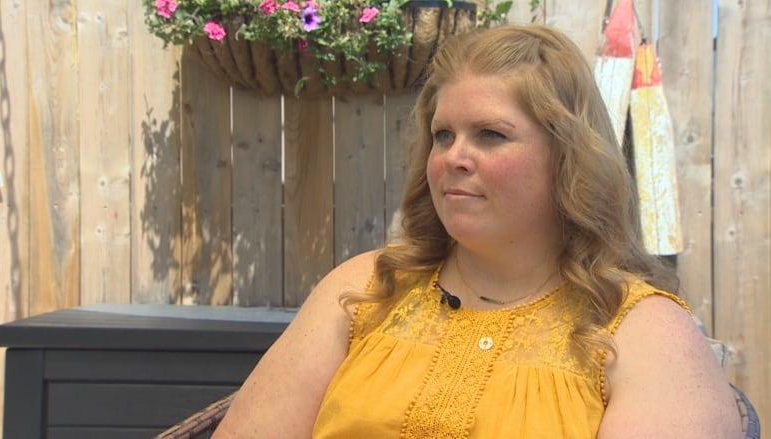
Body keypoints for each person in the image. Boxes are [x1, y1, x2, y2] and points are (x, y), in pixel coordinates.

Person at [212, 24, 742, 438]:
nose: (454, 158)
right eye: (443, 136)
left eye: (490, 134)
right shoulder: (369, 288)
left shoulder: (639, 330)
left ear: (569, 158)